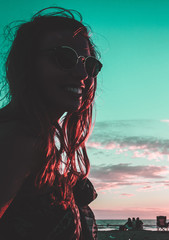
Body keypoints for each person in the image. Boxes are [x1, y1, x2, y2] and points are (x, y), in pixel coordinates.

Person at [0, 6, 102, 240]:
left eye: (89, 64)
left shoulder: (38, 140)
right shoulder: (18, 140)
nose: (83, 74)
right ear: (28, 65)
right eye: (65, 57)